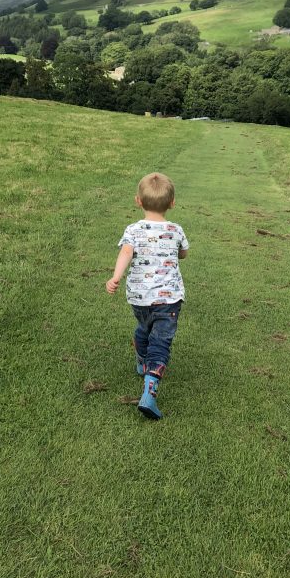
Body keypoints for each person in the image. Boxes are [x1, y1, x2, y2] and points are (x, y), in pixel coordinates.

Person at [106, 172, 189, 420]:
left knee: (145, 327)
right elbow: (183, 254)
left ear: (138, 201)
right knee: (161, 343)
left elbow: (126, 253)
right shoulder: (176, 230)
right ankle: (149, 395)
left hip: (139, 297)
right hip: (169, 299)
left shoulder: (133, 230)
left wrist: (115, 277)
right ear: (172, 203)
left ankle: (142, 360)